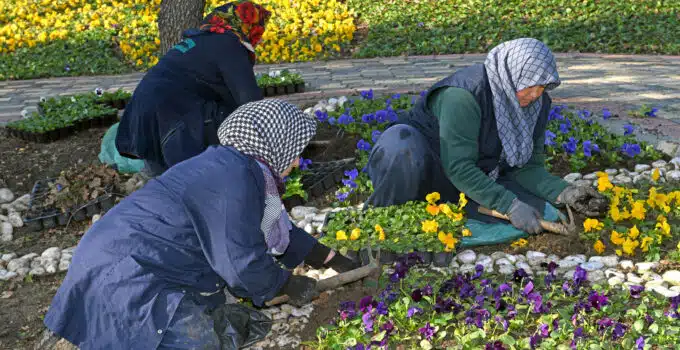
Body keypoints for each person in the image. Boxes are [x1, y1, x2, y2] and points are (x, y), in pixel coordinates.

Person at [43, 100, 359, 349]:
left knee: (213, 323)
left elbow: (278, 230)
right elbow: (240, 262)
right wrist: (285, 284)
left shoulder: (237, 167)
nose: (295, 163)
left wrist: (334, 260)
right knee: (200, 343)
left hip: (132, 259)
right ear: (273, 143)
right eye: (294, 153)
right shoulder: (235, 179)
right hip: (125, 273)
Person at [365, 38, 607, 237]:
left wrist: (565, 193)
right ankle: (388, 215)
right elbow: (458, 166)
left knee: (541, 211)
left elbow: (528, 168)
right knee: (400, 142)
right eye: (529, 85)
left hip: (469, 180)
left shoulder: (536, 105)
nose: (535, 94)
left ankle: (452, 207)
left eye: (542, 87)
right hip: (421, 168)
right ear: (511, 75)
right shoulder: (463, 96)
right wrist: (509, 206)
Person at [116, 1, 270, 177]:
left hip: (141, 120)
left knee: (167, 189)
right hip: (172, 119)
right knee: (190, 185)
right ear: (248, 25)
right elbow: (251, 103)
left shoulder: (200, 40)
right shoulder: (228, 43)